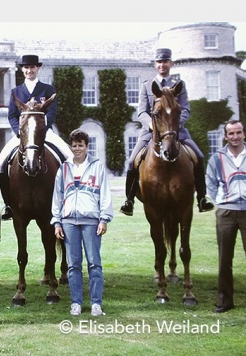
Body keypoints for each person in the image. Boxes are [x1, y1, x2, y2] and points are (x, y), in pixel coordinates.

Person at [120, 48, 214, 216]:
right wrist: (151, 124)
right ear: (155, 64)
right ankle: (129, 201)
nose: (162, 65)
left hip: (177, 131)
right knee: (131, 162)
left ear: (171, 63)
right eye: (159, 62)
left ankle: (202, 198)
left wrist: (175, 125)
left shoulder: (179, 86)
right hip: (151, 132)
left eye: (165, 61)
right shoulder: (147, 86)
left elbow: (185, 109)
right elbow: (141, 112)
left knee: (199, 156)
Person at [0, 54, 71, 220]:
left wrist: (41, 130)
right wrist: (18, 132)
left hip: (44, 133)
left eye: (32, 67)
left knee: (70, 157)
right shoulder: (16, 91)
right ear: (22, 70)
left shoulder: (48, 89)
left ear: (38, 68)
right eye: (26, 67)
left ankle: (68, 200)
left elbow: (52, 112)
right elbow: (12, 115)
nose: (29, 70)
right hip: (22, 135)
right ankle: (8, 205)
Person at [51, 129, 113, 317]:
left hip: (91, 221)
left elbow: (105, 193)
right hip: (69, 221)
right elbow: (57, 197)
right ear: (71, 146)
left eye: (81, 145)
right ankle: (76, 302)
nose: (77, 148)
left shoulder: (97, 166)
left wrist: (104, 219)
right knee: (73, 264)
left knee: (94, 263)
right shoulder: (64, 168)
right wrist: (57, 222)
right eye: (74, 145)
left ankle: (96, 303)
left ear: (87, 146)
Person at [206, 120, 246, 313]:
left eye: (238, 133)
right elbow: (211, 183)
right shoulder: (217, 158)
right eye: (231, 134)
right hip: (226, 213)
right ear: (225, 136)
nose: (235, 137)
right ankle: (225, 301)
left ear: (244, 134)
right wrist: (221, 202)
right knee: (224, 258)